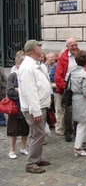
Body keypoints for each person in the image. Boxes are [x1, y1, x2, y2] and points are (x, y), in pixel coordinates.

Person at [18, 40, 53, 174]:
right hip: (34, 108)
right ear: (34, 49)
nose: (41, 47)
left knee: (36, 133)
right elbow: (29, 91)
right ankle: (31, 163)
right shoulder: (27, 67)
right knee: (38, 134)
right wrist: (36, 111)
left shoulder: (35, 64)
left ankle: (36, 159)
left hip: (40, 105)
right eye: (39, 46)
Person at [71, 50, 86, 157]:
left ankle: (84, 142)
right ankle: (78, 148)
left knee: (85, 121)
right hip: (83, 100)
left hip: (75, 97)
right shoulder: (85, 75)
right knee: (83, 122)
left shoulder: (72, 72)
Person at [54, 38, 79, 141]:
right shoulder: (62, 58)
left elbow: (85, 68)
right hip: (66, 87)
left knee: (78, 110)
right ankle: (68, 132)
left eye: (75, 45)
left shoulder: (80, 54)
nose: (74, 47)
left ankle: (78, 131)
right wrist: (65, 87)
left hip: (78, 86)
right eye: (72, 45)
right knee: (67, 111)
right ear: (67, 47)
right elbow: (58, 76)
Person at [6, 55, 29, 159]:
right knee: (13, 130)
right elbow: (9, 91)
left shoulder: (27, 75)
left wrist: (18, 89)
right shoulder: (12, 76)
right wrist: (19, 91)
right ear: (17, 64)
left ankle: (23, 148)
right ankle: (11, 150)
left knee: (25, 129)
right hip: (15, 106)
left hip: (26, 106)